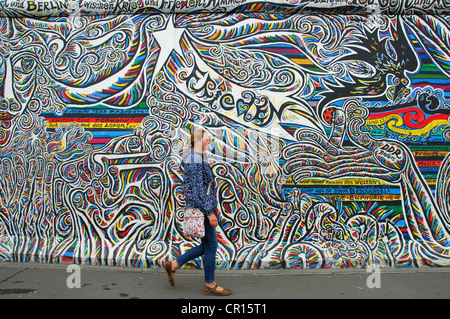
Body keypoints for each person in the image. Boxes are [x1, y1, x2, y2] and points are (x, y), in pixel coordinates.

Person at [164, 127, 232, 296]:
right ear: (199, 141)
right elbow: (196, 190)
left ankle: (173, 265)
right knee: (212, 245)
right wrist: (209, 212)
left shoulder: (196, 157)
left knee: (206, 245)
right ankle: (210, 284)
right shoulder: (194, 159)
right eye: (208, 139)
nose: (210, 142)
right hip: (203, 209)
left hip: (203, 207)